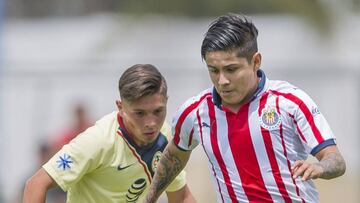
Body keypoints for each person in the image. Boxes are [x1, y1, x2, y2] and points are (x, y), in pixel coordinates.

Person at [145, 13, 346, 203]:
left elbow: (335, 160)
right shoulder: (194, 113)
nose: (222, 80)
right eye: (214, 70)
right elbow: (173, 156)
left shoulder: (290, 102)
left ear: (256, 61)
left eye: (231, 69)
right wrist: (149, 198)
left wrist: (320, 166)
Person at [23, 64, 196, 203]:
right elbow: (35, 185)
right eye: (140, 114)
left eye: (158, 111)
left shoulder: (165, 135)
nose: (151, 123)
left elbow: (180, 197)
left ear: (166, 101)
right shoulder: (98, 141)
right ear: (120, 107)